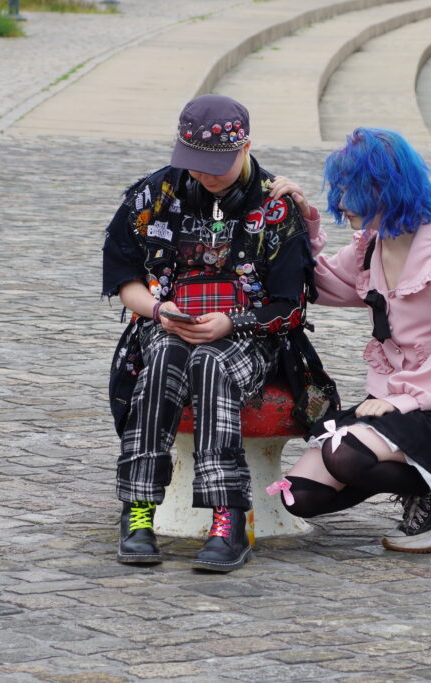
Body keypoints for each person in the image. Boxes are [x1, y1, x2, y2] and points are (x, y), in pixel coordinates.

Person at [272, 128, 431, 553]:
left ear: (383, 189)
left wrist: (401, 400)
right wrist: (303, 219)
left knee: (343, 455)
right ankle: (425, 486)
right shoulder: (372, 245)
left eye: (349, 191)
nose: (342, 204)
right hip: (395, 401)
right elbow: (320, 284)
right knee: (299, 495)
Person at [101, 95, 323, 572]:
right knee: (163, 360)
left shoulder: (276, 205)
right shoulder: (152, 195)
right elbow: (125, 281)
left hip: (253, 337)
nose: (205, 175)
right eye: (195, 165)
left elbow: (290, 306)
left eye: (216, 165)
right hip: (165, 323)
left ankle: (229, 514)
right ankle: (138, 509)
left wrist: (233, 321)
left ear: (246, 146)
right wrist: (160, 310)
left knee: (210, 363)